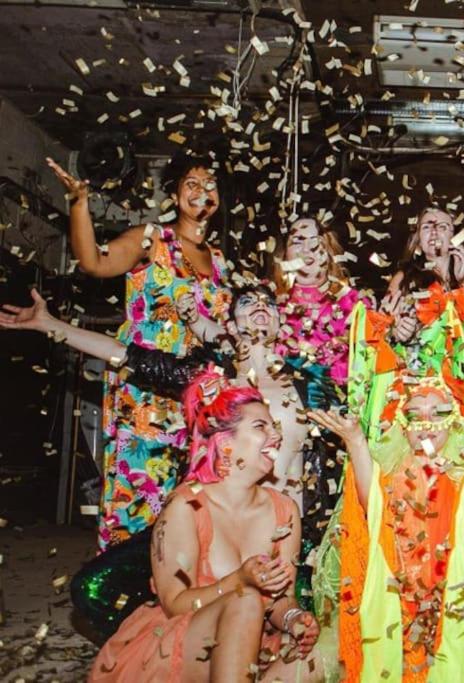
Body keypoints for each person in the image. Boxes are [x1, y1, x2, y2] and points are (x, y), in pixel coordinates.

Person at [0, 284, 329, 635]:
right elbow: (123, 354)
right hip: (206, 524)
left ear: (281, 323)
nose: (261, 306)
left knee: (305, 624)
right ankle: (178, 649)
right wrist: (53, 326)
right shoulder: (204, 377)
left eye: (269, 303)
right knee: (93, 589)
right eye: (248, 302)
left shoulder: (309, 385)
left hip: (283, 534)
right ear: (230, 326)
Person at [47, 152, 232, 550]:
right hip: (145, 390)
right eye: (192, 184)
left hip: (197, 395)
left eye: (210, 184)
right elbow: (94, 262)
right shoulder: (153, 239)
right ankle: (124, 592)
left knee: (190, 498)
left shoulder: (220, 262)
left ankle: (176, 593)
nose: (203, 192)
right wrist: (79, 204)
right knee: (142, 490)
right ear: (174, 194)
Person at [89, 370, 322, 682]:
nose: (277, 436)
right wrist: (239, 580)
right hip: (183, 645)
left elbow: (283, 599)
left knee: (328, 653)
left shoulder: (285, 511)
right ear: (226, 444)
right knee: (246, 599)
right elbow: (175, 604)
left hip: (256, 649)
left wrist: (294, 619)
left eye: (274, 426)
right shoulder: (186, 506)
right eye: (260, 426)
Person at [308, 380, 464, 681]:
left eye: (438, 412)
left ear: (455, 421)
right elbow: (372, 504)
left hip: (448, 603)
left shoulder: (457, 473)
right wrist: (354, 440)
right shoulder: (392, 472)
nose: (426, 423)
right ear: (402, 425)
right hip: (394, 601)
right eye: (415, 414)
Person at [269, 216, 367, 386]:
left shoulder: (354, 302)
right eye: (297, 242)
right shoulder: (268, 300)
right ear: (284, 254)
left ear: (328, 252)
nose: (307, 249)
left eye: (315, 241)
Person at [382, 205, 464, 348]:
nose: (434, 231)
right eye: (426, 227)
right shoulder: (403, 278)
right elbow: (382, 329)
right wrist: (396, 332)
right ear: (418, 239)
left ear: (454, 237)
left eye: (443, 227)